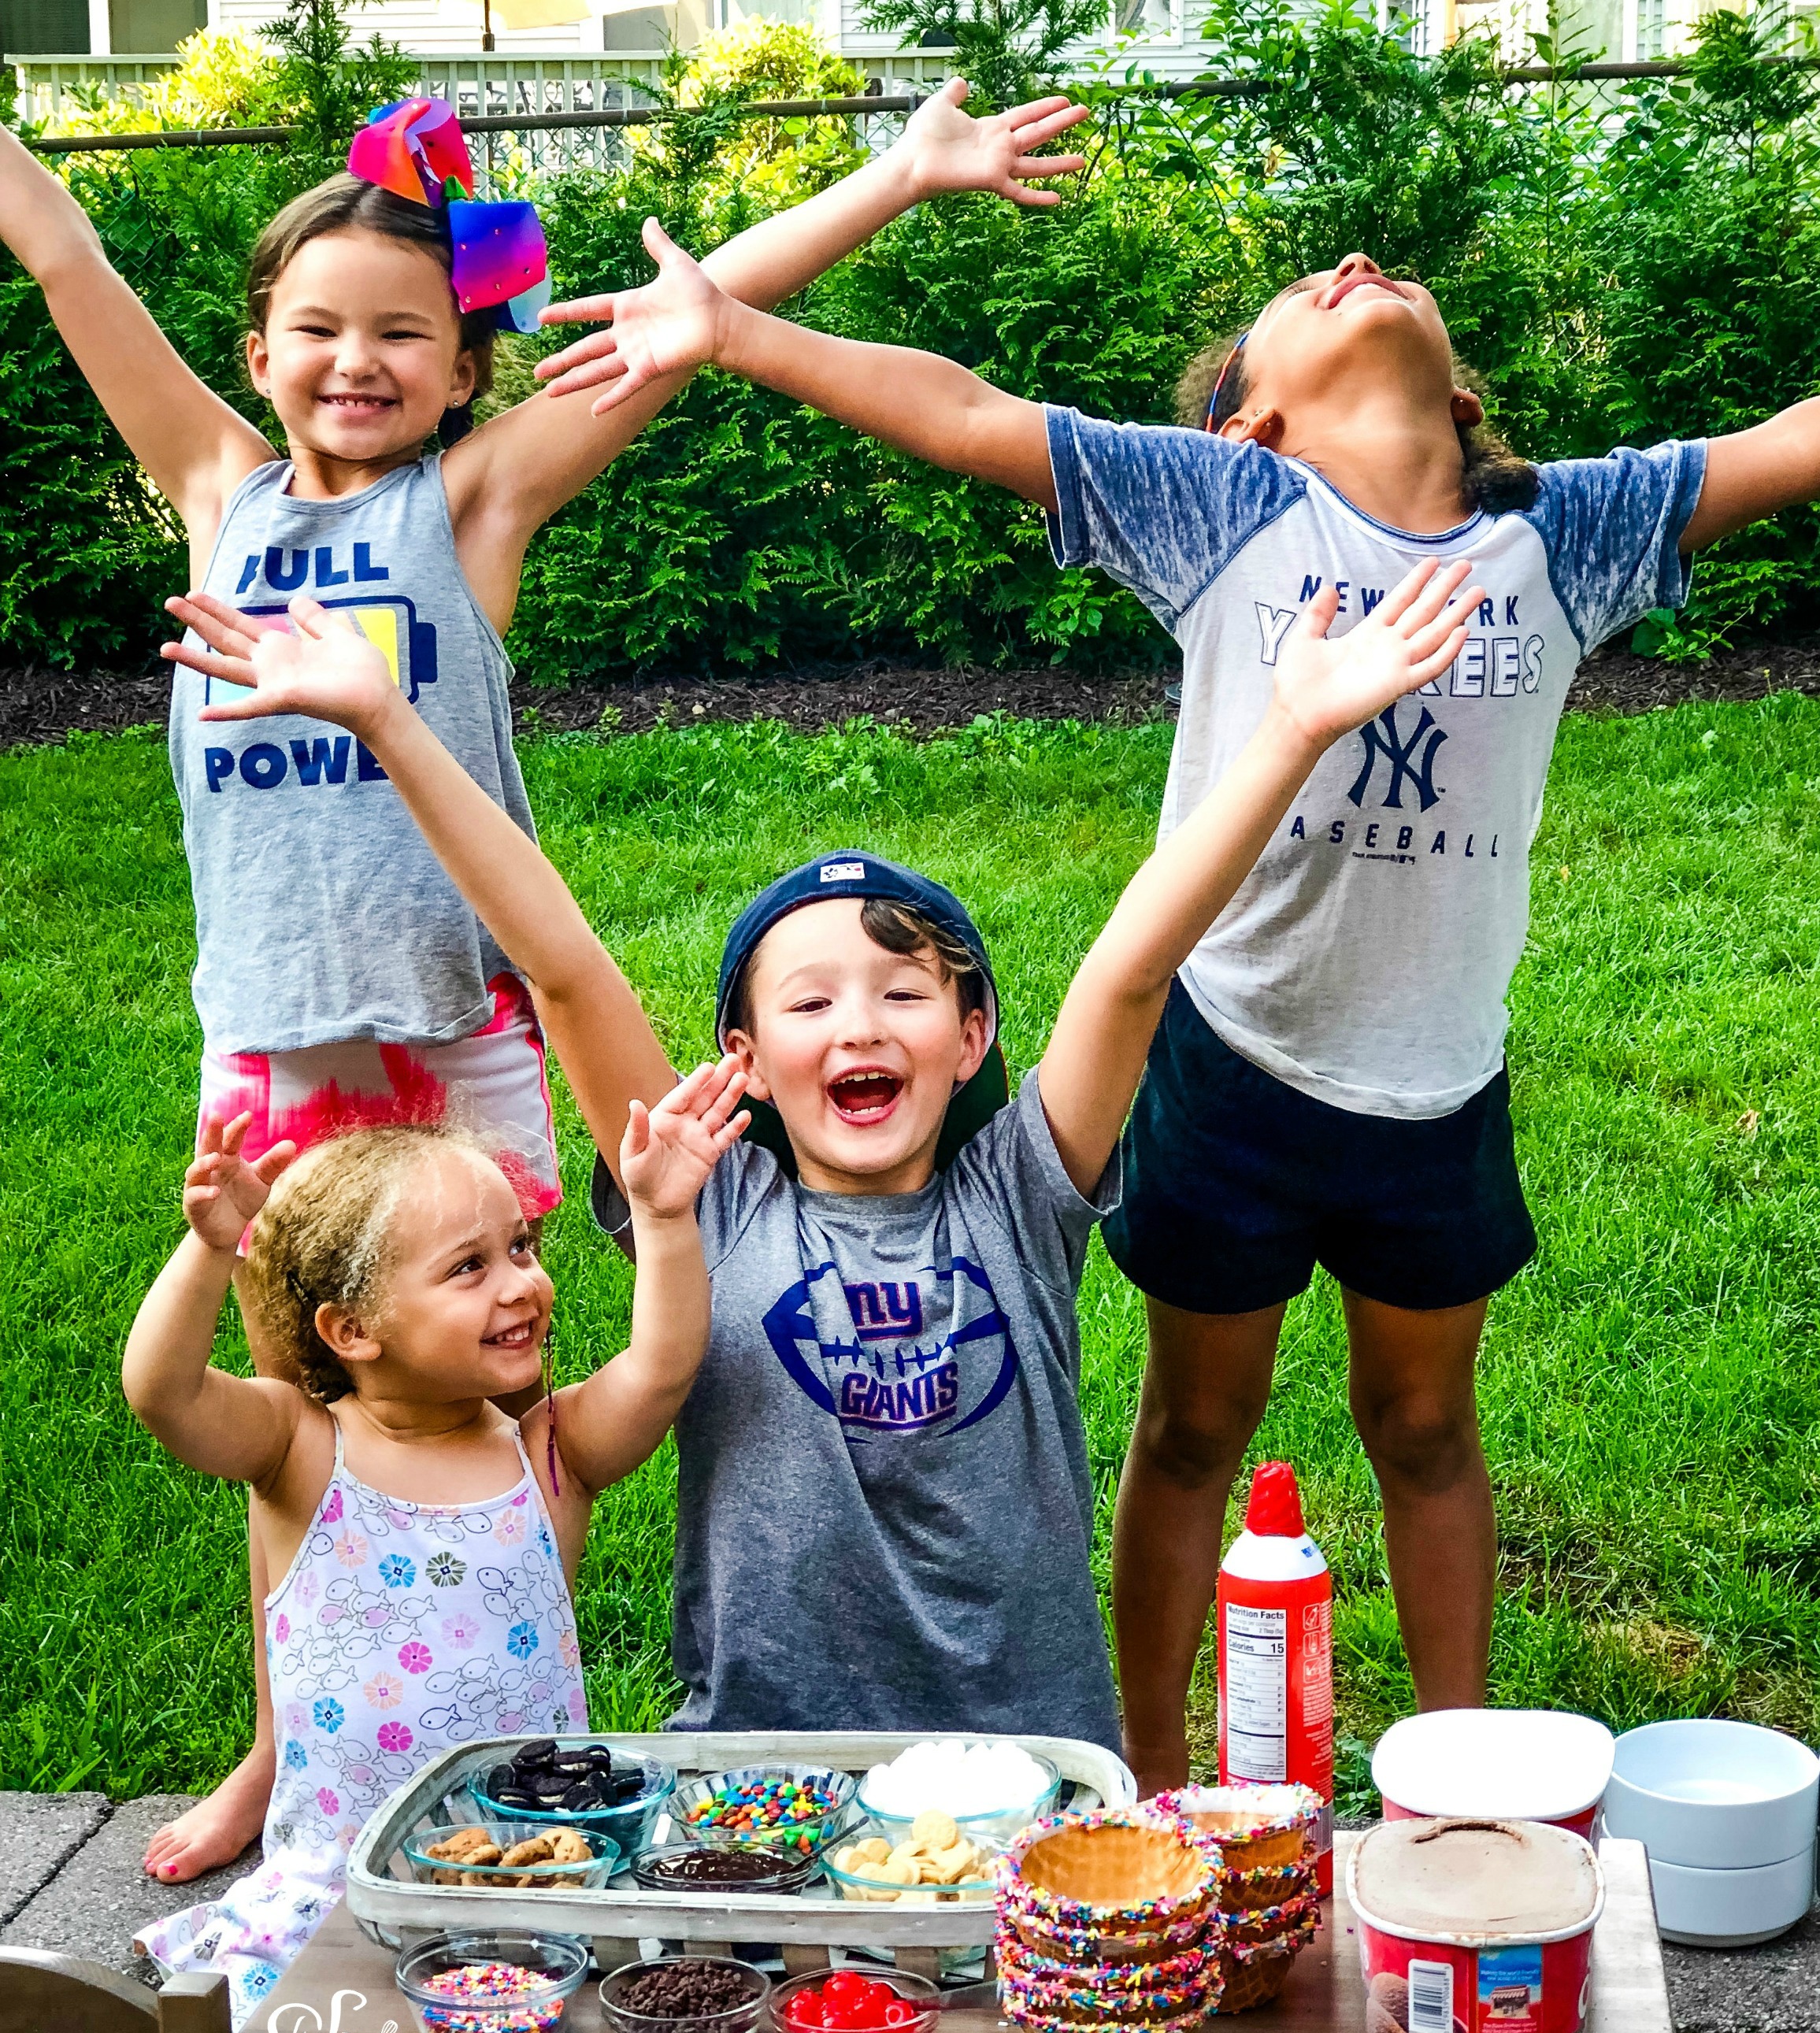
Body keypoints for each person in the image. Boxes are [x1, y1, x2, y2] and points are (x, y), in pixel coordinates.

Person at [528, 224, 1820, 1790]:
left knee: (1424, 1425)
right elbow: (961, 410)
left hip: (1435, 1080)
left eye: (1373, 276)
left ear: (1466, 405)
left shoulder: (1570, 527)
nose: (1351, 258)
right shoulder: (1222, 503)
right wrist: (733, 330)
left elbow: (1786, 444)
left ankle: (1467, 1777)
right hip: (1227, 1057)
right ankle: (1138, 1768)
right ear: (1249, 419)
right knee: (1195, 1430)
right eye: (1303, 290)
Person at [0, 82, 1089, 1877]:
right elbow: (55, 241)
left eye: (403, 336)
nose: (357, 361)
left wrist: (898, 171)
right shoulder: (212, 487)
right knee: (311, 1425)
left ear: (460, 373)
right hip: (275, 1055)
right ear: (259, 343)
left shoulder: (474, 499)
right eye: (321, 328)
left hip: (462, 1047)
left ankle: (516, 1727)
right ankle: (298, 1744)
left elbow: (679, 328)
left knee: (501, 1401)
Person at [161, 544, 1485, 1751]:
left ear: (972, 1037)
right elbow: (560, 969)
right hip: (760, 1755)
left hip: (1029, 1757)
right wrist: (391, 718)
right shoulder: (704, 1189)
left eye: (905, 993)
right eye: (808, 1001)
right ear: (741, 1057)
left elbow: (1136, 968)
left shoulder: (1022, 1188)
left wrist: (1296, 728)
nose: (859, 1020)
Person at [124, 1061, 749, 2027]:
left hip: (536, 1865)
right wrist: (209, 1252)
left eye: (522, 1246)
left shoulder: (550, 1452)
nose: (522, 1283)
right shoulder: (299, 1447)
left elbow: (663, 1368)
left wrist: (664, 1218)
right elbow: (162, 1394)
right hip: (343, 1873)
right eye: (471, 1266)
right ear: (352, 1328)